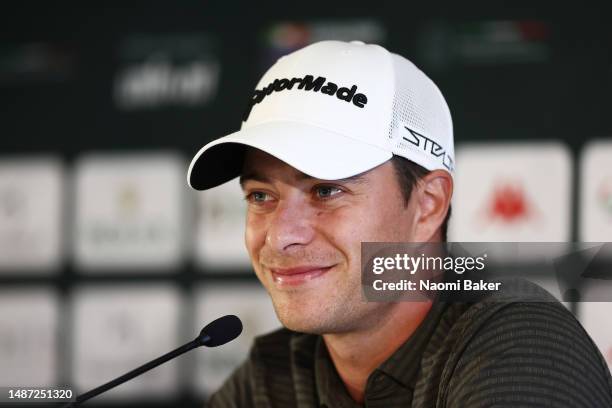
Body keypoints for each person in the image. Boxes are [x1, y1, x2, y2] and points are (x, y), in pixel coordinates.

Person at [188, 41, 612, 407]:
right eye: (261, 196)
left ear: (428, 205)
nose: (281, 236)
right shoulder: (274, 372)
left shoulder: (522, 346)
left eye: (326, 191)